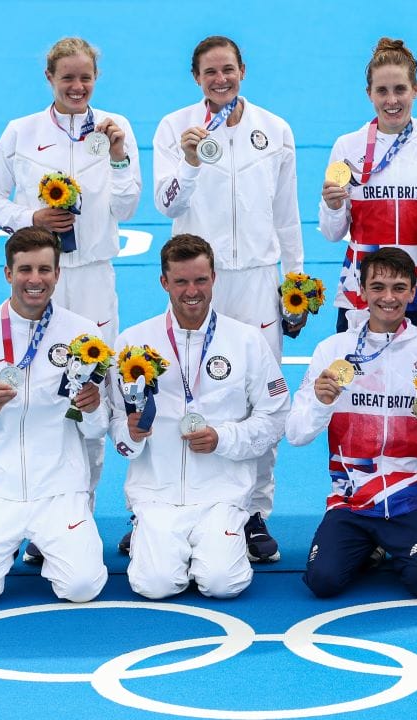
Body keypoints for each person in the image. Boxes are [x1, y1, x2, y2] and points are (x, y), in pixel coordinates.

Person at [0, 37, 141, 556]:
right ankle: (34, 519)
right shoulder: (20, 132)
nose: (77, 87)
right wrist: (30, 219)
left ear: (96, 78)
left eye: (85, 78)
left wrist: (117, 158)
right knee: (37, 393)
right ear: (49, 78)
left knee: (89, 400)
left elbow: (130, 206)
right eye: (67, 78)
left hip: (93, 277)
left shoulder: (116, 128)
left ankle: (77, 519)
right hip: (38, 280)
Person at [152, 35, 304, 561]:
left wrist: (296, 280)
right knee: (182, 389)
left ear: (243, 70)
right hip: (199, 281)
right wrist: (191, 161)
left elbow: (286, 213)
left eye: (229, 70)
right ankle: (162, 505)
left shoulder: (274, 129)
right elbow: (165, 200)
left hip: (259, 280)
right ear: (196, 78)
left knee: (262, 394)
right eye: (210, 72)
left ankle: (255, 511)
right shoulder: (175, 128)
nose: (221, 80)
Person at [318, 37, 417, 557]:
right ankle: (351, 502)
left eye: (400, 89)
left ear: (416, 89)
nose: (392, 100)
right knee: (353, 406)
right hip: (360, 302)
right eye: (382, 91)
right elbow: (331, 231)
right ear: (368, 93)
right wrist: (335, 205)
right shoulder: (345, 149)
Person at [109, 234, 289, 600]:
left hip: (221, 493)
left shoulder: (246, 341)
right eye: (181, 282)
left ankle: (217, 540)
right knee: (154, 586)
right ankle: (150, 531)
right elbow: (115, 422)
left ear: (213, 278)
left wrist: (223, 438)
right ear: (164, 283)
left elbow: (275, 415)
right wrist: (130, 434)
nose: (192, 291)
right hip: (157, 494)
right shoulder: (132, 342)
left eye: (200, 280)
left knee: (223, 585)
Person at [0, 227, 108, 605]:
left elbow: (97, 429)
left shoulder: (84, 335)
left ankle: (52, 544)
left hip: (58, 487)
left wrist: (93, 408)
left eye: (45, 270)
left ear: (58, 275)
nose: (35, 280)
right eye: (25, 269)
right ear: (8, 274)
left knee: (82, 588)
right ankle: (6, 544)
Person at [287, 248, 417, 598]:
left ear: (413, 293)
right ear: (362, 290)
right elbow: (296, 434)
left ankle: (383, 547)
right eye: (378, 287)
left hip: (411, 501)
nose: (388, 297)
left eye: (399, 288)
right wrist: (323, 405)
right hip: (350, 501)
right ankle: (371, 545)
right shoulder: (332, 350)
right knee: (322, 582)